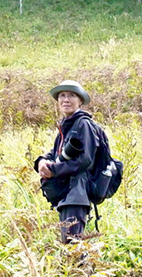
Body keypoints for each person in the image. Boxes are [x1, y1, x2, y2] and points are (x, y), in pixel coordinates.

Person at [34, 80, 98, 243]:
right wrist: (42, 162)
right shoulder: (67, 125)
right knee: (71, 245)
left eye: (72, 95)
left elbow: (85, 160)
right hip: (67, 193)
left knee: (72, 245)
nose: (66, 100)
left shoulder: (83, 124)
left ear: (80, 101)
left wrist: (53, 170)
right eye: (62, 96)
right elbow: (55, 153)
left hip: (77, 193)